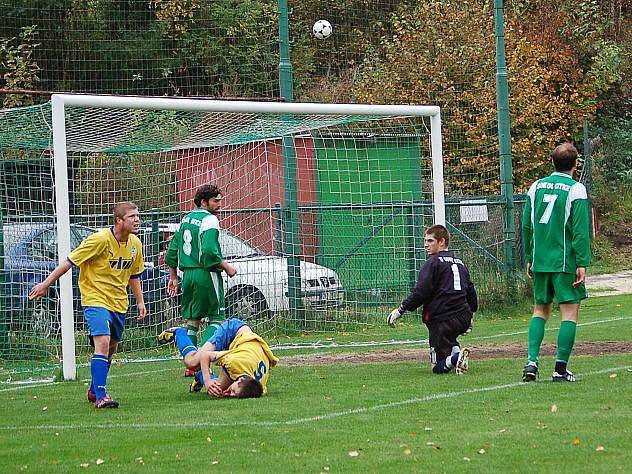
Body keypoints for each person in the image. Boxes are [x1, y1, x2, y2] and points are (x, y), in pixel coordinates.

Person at [29, 202, 146, 408]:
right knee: (102, 341)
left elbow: (134, 275)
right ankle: (101, 396)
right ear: (119, 220)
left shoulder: (136, 244)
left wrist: (140, 301)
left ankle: (94, 388)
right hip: (95, 299)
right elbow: (69, 261)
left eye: (138, 216)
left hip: (119, 302)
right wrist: (46, 284)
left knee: (111, 348)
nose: (137, 220)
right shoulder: (100, 240)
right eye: (132, 217)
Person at [521, 142, 591, 383]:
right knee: (569, 313)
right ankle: (560, 369)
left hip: (540, 261)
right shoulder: (576, 189)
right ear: (575, 164)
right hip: (564, 263)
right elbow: (580, 230)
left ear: (552, 162)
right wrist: (582, 262)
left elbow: (526, 226)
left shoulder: (535, 187)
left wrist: (529, 257)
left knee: (540, 310)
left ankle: (531, 362)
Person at [163, 184, 237, 377]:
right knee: (217, 318)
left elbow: (172, 252)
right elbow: (210, 251)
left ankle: (190, 365)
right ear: (203, 202)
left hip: (188, 276)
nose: (219, 205)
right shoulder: (210, 220)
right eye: (215, 201)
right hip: (206, 274)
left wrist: (173, 276)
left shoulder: (185, 219)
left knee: (193, 320)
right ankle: (200, 361)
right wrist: (226, 266)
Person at [387, 224, 477, 375]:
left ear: (441, 242)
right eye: (425, 241)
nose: (425, 244)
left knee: (437, 367)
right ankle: (458, 355)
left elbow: (421, 292)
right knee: (450, 337)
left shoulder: (433, 263)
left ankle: (456, 358)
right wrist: (471, 315)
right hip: (462, 317)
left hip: (442, 321)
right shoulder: (460, 263)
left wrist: (401, 309)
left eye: (430, 241)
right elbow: (470, 291)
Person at [157, 318, 278, 398]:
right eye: (233, 391)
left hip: (245, 349)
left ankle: (200, 375)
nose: (230, 394)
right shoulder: (234, 363)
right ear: (239, 380)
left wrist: (226, 389)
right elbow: (206, 356)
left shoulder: (258, 387)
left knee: (217, 391)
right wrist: (208, 380)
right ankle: (179, 332)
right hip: (232, 331)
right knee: (192, 363)